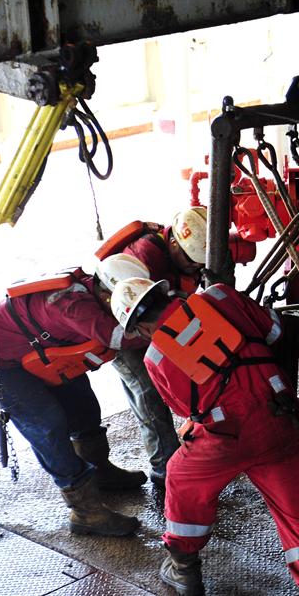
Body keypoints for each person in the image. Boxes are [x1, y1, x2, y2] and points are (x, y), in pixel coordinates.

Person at [110, 277, 299, 596]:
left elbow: (185, 406)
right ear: (166, 294)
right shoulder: (221, 295)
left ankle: (183, 568)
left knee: (180, 476)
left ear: (141, 329)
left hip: (227, 436)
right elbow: (276, 330)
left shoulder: (155, 358)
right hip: (282, 417)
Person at [0, 257, 151, 537]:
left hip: (28, 351)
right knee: (47, 422)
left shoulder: (92, 289)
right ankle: (86, 512)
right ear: (107, 292)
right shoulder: (72, 305)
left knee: (81, 400)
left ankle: (101, 471)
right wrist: (163, 326)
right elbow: (116, 338)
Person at [97, 207, 209, 486]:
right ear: (174, 243)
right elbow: (134, 313)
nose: (195, 267)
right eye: (191, 261)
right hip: (124, 329)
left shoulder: (191, 250)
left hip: (157, 322)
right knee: (148, 392)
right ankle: (166, 469)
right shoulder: (144, 258)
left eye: (199, 264)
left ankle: (202, 439)